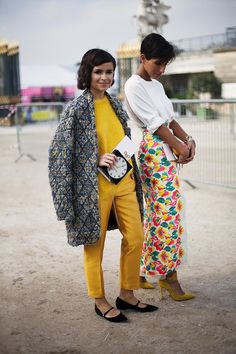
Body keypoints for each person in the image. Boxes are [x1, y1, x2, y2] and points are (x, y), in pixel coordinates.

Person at [48, 48, 158, 323]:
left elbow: (123, 138)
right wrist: (94, 158)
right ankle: (99, 299)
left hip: (124, 182)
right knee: (94, 244)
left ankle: (127, 294)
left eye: (109, 72)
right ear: (88, 73)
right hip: (92, 188)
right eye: (99, 71)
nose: (105, 77)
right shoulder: (76, 108)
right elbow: (59, 152)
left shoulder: (113, 103)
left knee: (136, 238)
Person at [124, 33, 196, 301]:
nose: (162, 70)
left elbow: (170, 118)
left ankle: (143, 272)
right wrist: (178, 145)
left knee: (158, 213)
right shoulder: (134, 85)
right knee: (167, 214)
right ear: (143, 58)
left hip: (166, 147)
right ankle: (169, 278)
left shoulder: (156, 84)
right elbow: (156, 125)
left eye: (166, 64)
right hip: (154, 151)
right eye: (159, 63)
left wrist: (188, 141)